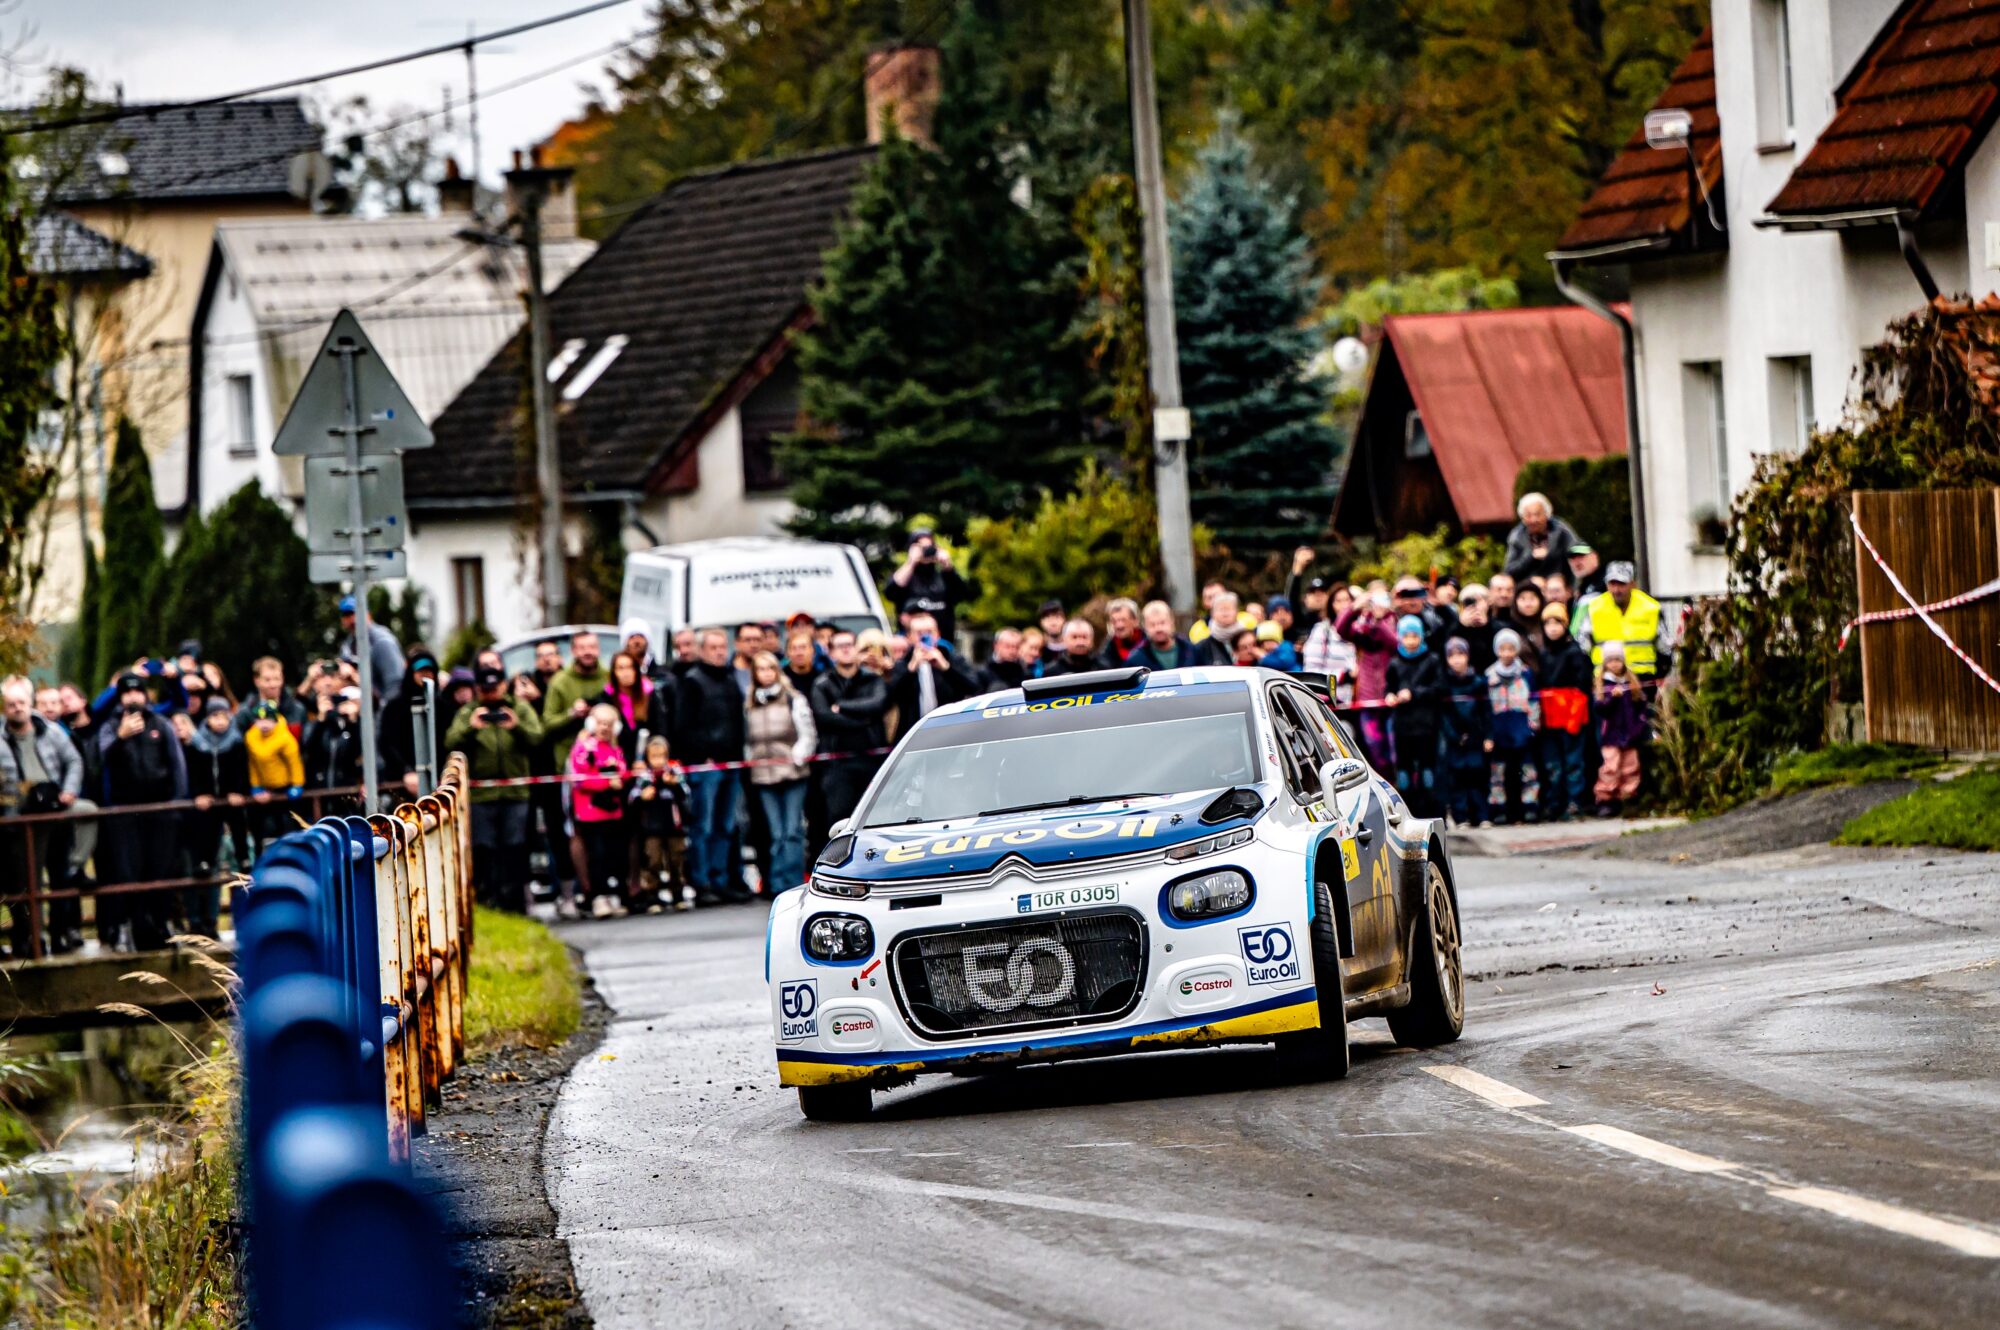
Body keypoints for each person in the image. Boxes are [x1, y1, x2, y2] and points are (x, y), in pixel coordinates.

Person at [95, 673, 188, 951]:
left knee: (159, 870)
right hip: (125, 811)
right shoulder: (111, 726)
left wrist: (176, 802)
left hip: (160, 810)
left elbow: (176, 764)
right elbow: (100, 761)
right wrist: (120, 738)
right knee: (128, 873)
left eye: (138, 692)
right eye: (127, 693)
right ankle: (129, 928)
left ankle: (160, 925)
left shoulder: (160, 723)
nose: (133, 697)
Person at [448, 664, 543, 913]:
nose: (491, 693)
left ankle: (514, 904)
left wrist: (516, 726)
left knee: (515, 847)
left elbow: (537, 738)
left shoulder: (519, 708)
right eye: (485, 689)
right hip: (481, 795)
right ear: (478, 689)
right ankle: (487, 901)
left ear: (504, 685)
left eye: (495, 687)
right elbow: (450, 743)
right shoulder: (469, 711)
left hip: (516, 793)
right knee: (483, 848)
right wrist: (471, 727)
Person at [2, 675, 85, 954]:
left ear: (29, 703)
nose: (17, 708)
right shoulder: (1, 738)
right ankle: (32, 941)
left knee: (60, 877)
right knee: (26, 884)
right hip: (19, 820)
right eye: (11, 704)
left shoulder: (50, 731)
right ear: (5, 707)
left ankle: (60, 935)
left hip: (54, 810)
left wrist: (69, 790)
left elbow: (73, 760)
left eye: (21, 702)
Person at [674, 628, 747, 905]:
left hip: (731, 763)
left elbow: (737, 721)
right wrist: (701, 754)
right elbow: (683, 726)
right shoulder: (692, 680)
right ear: (702, 650)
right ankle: (702, 881)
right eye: (713, 647)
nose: (719, 652)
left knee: (726, 826)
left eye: (722, 647)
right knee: (703, 826)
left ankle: (721, 880)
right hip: (705, 766)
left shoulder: (729, 679)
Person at [744, 652, 816, 896]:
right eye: (761, 669)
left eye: (770, 668)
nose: (766, 674)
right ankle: (777, 883)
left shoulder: (793, 699)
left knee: (792, 830)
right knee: (776, 833)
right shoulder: (750, 703)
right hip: (764, 775)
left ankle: (793, 881)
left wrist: (798, 756)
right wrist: (751, 761)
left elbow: (808, 733)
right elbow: (748, 740)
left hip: (792, 772)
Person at [811, 629, 890, 828]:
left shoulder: (873, 679)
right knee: (840, 819)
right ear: (831, 652)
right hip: (837, 763)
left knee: (876, 819)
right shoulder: (822, 684)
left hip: (871, 758)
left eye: (849, 645)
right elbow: (825, 717)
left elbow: (877, 705)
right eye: (840, 646)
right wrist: (862, 721)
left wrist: (842, 706)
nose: (846, 650)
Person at [185, 696, 249, 931]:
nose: (220, 721)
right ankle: (205, 859)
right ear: (207, 719)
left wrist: (238, 791)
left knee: (238, 822)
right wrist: (199, 794)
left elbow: (242, 770)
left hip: (230, 795)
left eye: (224, 716)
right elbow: (194, 772)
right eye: (215, 716)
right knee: (208, 831)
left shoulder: (236, 741)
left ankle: (243, 856)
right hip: (209, 798)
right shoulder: (198, 743)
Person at [569, 704, 630, 917]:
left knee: (614, 854)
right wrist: (606, 783)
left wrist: (620, 778)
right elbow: (580, 779)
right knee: (597, 855)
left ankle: (614, 895)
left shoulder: (615, 749)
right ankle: (597, 896)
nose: (605, 728)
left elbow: (623, 772)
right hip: (590, 812)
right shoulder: (583, 748)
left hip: (612, 811)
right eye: (601, 723)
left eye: (609, 724)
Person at [1537, 603, 1593, 821]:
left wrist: (1574, 716)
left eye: (1557, 623)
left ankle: (1574, 801)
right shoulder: (1544, 654)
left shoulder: (1575, 652)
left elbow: (1582, 687)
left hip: (1571, 714)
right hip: (1550, 717)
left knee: (1573, 761)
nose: (1552, 628)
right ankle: (1555, 803)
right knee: (1553, 764)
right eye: (1548, 623)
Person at [1383, 617, 1445, 816]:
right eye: (1406, 636)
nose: (1411, 641)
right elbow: (1388, 686)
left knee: (1427, 770)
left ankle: (1432, 812)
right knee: (1404, 771)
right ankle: (1409, 812)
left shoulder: (1432, 660)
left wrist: (1414, 693)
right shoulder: (1394, 663)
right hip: (1403, 725)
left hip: (1426, 725)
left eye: (1415, 636)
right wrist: (1390, 696)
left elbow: (1439, 687)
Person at [1335, 589, 1398, 771]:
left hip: (1390, 695)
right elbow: (1340, 628)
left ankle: (1397, 779)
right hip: (1367, 697)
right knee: (1373, 744)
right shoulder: (1362, 627)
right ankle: (1383, 777)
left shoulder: (1394, 621)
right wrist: (1354, 607)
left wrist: (1379, 621)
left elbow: (1395, 643)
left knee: (1393, 746)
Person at [1484, 630, 1541, 825]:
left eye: (1511, 649)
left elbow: (1534, 700)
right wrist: (1488, 732)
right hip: (1499, 729)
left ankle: (1530, 806)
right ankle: (1499, 808)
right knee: (1498, 772)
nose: (1507, 653)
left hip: (1521, 728)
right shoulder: (1490, 675)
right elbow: (1485, 708)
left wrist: (1534, 723)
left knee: (1527, 770)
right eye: (1503, 649)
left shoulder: (1525, 673)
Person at [1578, 561, 1665, 681]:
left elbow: (1664, 648)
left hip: (1643, 678)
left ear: (1633, 584)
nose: (1616, 590)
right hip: (1605, 679)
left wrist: (1660, 676)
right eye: (1612, 584)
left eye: (1621, 584)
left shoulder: (1651, 608)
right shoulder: (1594, 608)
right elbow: (1583, 648)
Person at [629, 737, 689, 910]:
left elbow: (686, 794)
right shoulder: (645, 776)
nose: (658, 761)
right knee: (652, 860)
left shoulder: (674, 772)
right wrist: (643, 797)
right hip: (651, 827)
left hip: (673, 826)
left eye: (662, 756)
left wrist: (674, 785)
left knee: (676, 859)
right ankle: (652, 896)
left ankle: (678, 894)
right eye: (654, 757)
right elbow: (632, 798)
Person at [889, 527, 976, 640]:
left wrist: (948, 566)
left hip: (943, 641)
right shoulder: (906, 576)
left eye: (929, 547)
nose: (926, 551)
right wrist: (911, 562)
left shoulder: (944, 577)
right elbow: (891, 592)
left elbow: (963, 594)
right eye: (922, 547)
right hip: (910, 640)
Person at [379, 647, 444, 798]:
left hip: (440, 784)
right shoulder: (394, 707)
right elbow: (387, 743)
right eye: (420, 672)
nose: (424, 676)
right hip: (403, 785)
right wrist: (406, 771)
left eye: (429, 671)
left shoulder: (443, 707)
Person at [887, 612, 976, 722]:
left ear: (937, 634)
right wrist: (911, 669)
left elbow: (973, 687)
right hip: (913, 726)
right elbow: (890, 696)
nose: (924, 637)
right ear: (909, 637)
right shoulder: (902, 663)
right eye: (919, 633)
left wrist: (947, 669)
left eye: (929, 632)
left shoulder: (952, 659)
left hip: (948, 724)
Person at [1593, 642, 1649, 817]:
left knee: (1630, 767)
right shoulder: (1603, 684)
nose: (1615, 664)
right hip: (1611, 735)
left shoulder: (1631, 682)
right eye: (1610, 660)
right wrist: (1612, 698)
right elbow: (1600, 709)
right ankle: (1606, 799)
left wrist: (1639, 725)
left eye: (1618, 660)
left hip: (1630, 734)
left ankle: (1628, 796)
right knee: (1611, 767)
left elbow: (1641, 705)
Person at [1440, 639, 1490, 827]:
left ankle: (1482, 816)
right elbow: (1444, 715)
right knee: (1458, 780)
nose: (1457, 660)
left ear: (1467, 656)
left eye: (1460, 654)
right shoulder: (1444, 684)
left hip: (1476, 738)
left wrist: (1488, 736)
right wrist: (1454, 736)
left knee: (1478, 778)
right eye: (1452, 656)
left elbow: (1486, 711)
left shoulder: (1478, 682)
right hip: (1455, 740)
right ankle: (1461, 817)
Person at [243, 699, 305, 849]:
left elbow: (294, 762)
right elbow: (253, 764)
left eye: (268, 720)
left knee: (288, 823)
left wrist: (297, 784)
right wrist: (255, 785)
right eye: (259, 720)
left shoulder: (285, 738)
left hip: (285, 787)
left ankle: (292, 852)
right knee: (260, 825)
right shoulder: (251, 737)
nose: (264, 724)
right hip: (264, 787)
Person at [337, 594, 405, 704]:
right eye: (346, 615)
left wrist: (387, 711)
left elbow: (395, 684)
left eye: (354, 613)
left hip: (384, 707)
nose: (351, 619)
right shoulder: (347, 646)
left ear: (368, 615)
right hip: (360, 708)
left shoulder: (382, 642)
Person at [302, 686, 366, 801]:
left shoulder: (350, 726)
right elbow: (309, 750)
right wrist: (321, 719)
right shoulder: (314, 725)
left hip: (345, 788)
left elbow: (358, 752)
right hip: (318, 788)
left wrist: (352, 721)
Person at [1504, 492, 1583, 584]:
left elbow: (1578, 550)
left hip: (1558, 584)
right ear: (1522, 518)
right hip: (1528, 587)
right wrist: (1531, 558)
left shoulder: (1560, 530)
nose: (1534, 520)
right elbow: (1509, 571)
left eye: (1538, 514)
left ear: (1547, 514)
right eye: (1528, 515)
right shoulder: (1516, 536)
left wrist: (1551, 555)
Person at [603, 650, 657, 765]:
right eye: (620, 668)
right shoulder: (606, 697)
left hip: (647, 761)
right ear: (613, 672)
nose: (626, 673)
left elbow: (659, 729)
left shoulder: (649, 694)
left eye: (629, 667)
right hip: (617, 761)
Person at [233, 656, 307, 737]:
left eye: (277, 679)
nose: (273, 684)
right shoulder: (245, 712)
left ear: (282, 679)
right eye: (267, 680)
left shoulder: (298, 709)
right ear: (256, 681)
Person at [1131, 601, 1202, 671]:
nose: (1158, 628)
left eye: (1162, 623)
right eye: (1152, 625)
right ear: (1144, 627)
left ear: (1171, 622)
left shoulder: (1192, 652)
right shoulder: (1136, 660)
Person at [1448, 585, 1497, 673]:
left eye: (1478, 600)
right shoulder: (1453, 624)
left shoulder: (1496, 625)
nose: (1474, 605)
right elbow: (1447, 648)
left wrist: (1486, 626)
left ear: (1487, 602)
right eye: (1469, 602)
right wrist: (1461, 625)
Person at [1100, 598, 1143, 666]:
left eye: (1123, 620)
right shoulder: (1107, 651)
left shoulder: (1151, 645)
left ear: (1135, 621)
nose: (1119, 626)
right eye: (1114, 621)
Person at [782, 628, 821, 698]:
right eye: (794, 648)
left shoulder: (822, 679)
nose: (799, 653)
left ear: (813, 651)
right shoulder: (781, 678)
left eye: (803, 647)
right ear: (787, 653)